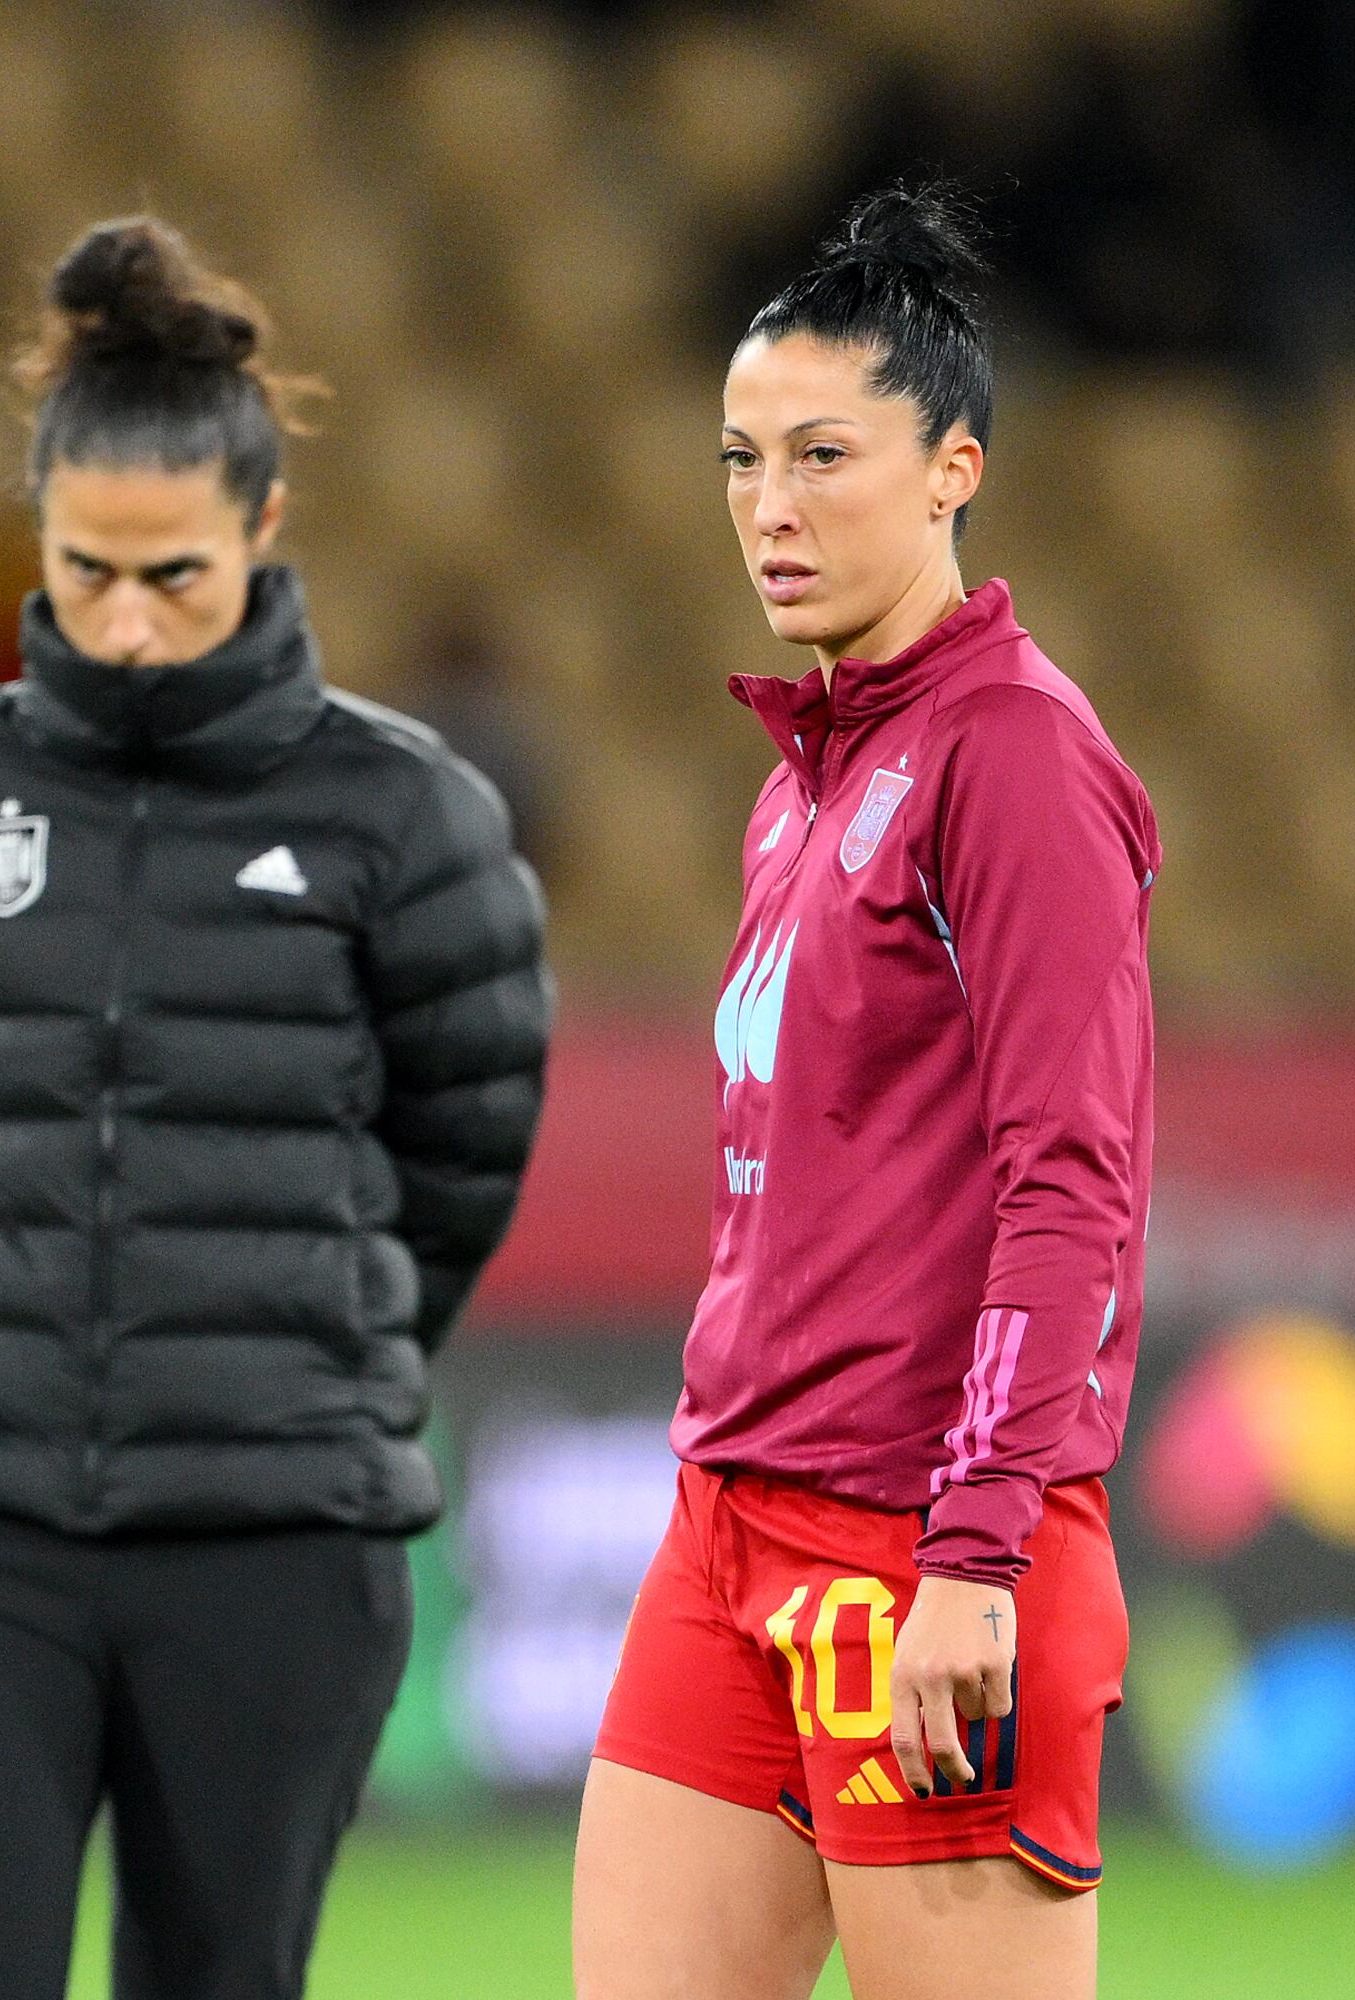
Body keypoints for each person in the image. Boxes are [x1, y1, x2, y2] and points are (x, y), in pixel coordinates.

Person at [0, 216, 551, 2000]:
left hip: (279, 1536)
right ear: (38, 540)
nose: (128, 625)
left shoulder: (409, 821)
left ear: (265, 534)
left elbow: (464, 1152)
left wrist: (290, 1340)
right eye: (86, 573)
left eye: (177, 578)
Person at [574, 183, 1158, 2000]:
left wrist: (977, 1555)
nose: (771, 504)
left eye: (825, 453)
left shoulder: (1019, 761)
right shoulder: (804, 778)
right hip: (726, 1521)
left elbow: (1072, 1182)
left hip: (928, 1546)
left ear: (953, 468)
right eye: (741, 458)